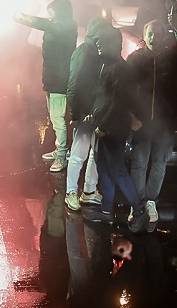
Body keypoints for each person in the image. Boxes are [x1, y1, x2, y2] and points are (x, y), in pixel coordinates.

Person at [126, 19, 177, 225]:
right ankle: (136, 204)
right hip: (142, 121)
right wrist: (130, 116)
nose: (153, 38)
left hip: (166, 121)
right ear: (144, 35)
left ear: (164, 36)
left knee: (159, 162)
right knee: (139, 163)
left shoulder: (174, 59)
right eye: (150, 34)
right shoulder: (135, 59)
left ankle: (150, 200)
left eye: (157, 33)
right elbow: (123, 90)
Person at [83, 25, 150, 233]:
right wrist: (94, 114)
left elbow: (119, 102)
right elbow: (105, 97)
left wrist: (103, 125)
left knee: (117, 169)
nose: (98, 44)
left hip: (114, 128)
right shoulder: (108, 65)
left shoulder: (119, 68)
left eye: (102, 41)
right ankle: (106, 212)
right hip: (107, 126)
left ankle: (138, 210)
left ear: (113, 43)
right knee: (104, 167)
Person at [14, 0, 79, 173]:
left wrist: (19, 16)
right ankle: (60, 149)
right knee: (54, 116)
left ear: (60, 12)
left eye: (52, 13)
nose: (49, 16)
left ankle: (62, 155)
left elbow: (43, 24)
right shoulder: (57, 25)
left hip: (60, 80)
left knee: (58, 119)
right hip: (51, 78)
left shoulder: (67, 26)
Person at [63, 16, 108, 212]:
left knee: (95, 153)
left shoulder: (98, 52)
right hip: (85, 113)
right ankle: (71, 192)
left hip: (97, 113)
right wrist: (75, 114)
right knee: (79, 153)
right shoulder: (84, 52)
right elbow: (73, 84)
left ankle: (89, 191)